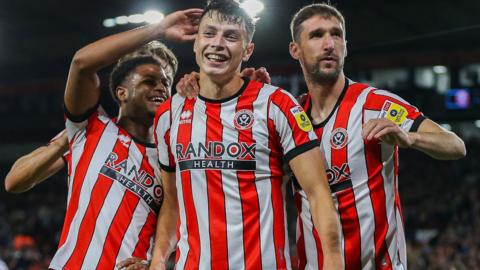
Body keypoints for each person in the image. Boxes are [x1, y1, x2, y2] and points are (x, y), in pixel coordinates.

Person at [151, 1, 342, 269]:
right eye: (209, 33)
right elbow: (172, 203)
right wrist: (157, 263)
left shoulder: (277, 105)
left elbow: (318, 193)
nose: (217, 43)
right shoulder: (168, 115)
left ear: (248, 50)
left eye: (231, 36)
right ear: (195, 43)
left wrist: (334, 262)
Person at [288, 3, 466, 269]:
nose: (329, 44)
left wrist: (410, 138)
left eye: (336, 35)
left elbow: (455, 145)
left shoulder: (375, 104)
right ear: (295, 50)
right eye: (317, 35)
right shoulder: (289, 117)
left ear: (345, 46)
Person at [48, 8, 203, 269]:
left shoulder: (170, 159)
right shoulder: (91, 128)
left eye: (166, 82)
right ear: (122, 92)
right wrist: (159, 29)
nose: (161, 87)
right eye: (149, 81)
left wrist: (153, 264)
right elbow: (81, 63)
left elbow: (177, 227)